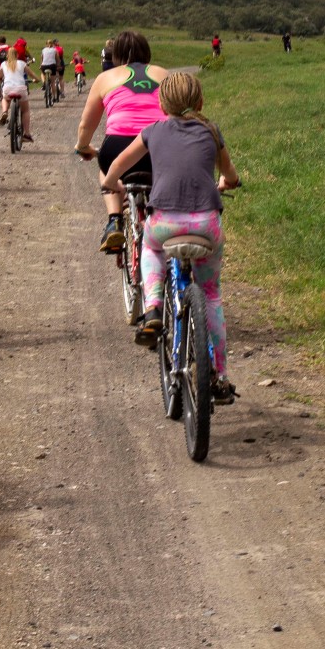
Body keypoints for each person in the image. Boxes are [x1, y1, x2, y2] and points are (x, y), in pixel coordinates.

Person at [101, 72, 241, 402]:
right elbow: (230, 175)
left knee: (150, 249)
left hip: (163, 222)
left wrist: (111, 184)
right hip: (206, 224)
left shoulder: (152, 131)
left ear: (161, 105)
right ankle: (219, 376)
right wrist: (225, 184)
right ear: (201, 102)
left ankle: (152, 309)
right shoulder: (212, 131)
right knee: (210, 294)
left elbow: (118, 166)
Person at [73, 29, 169, 252]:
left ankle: (114, 221)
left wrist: (83, 147)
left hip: (118, 147)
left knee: (106, 169)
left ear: (115, 55)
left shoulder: (105, 78)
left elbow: (86, 125)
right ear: (147, 52)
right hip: (159, 144)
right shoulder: (164, 74)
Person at [0, 45, 40, 142]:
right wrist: (36, 79)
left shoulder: (4, 64)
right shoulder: (22, 63)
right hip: (20, 89)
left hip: (7, 89)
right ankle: (27, 134)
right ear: (17, 55)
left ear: (7, 55)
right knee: (25, 110)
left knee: (5, 99)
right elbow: (31, 74)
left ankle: (4, 112)